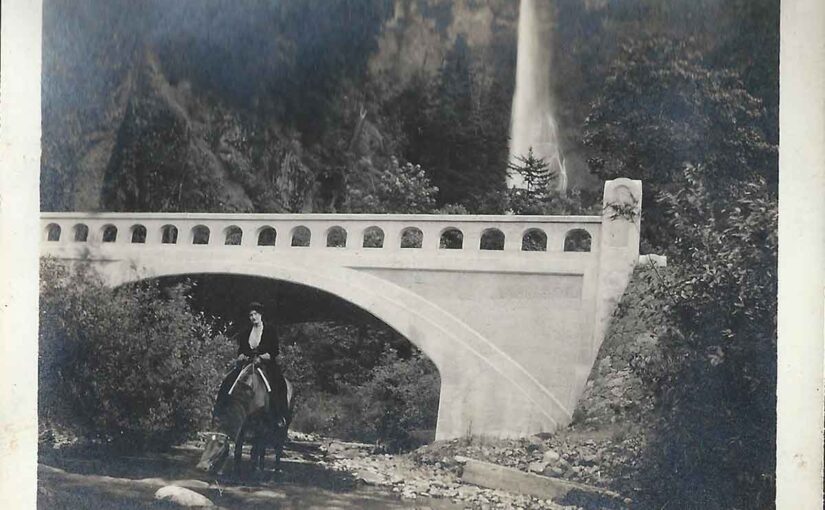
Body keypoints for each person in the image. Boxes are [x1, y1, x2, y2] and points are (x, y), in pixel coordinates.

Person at [217, 301, 289, 428]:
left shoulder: (270, 330)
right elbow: (241, 350)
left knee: (279, 383)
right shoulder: (245, 332)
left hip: (265, 364)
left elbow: (275, 351)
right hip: (248, 363)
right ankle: (219, 414)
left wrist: (263, 357)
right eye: (250, 315)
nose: (253, 317)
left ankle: (280, 416)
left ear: (260, 315)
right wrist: (241, 356)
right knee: (228, 381)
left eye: (255, 314)